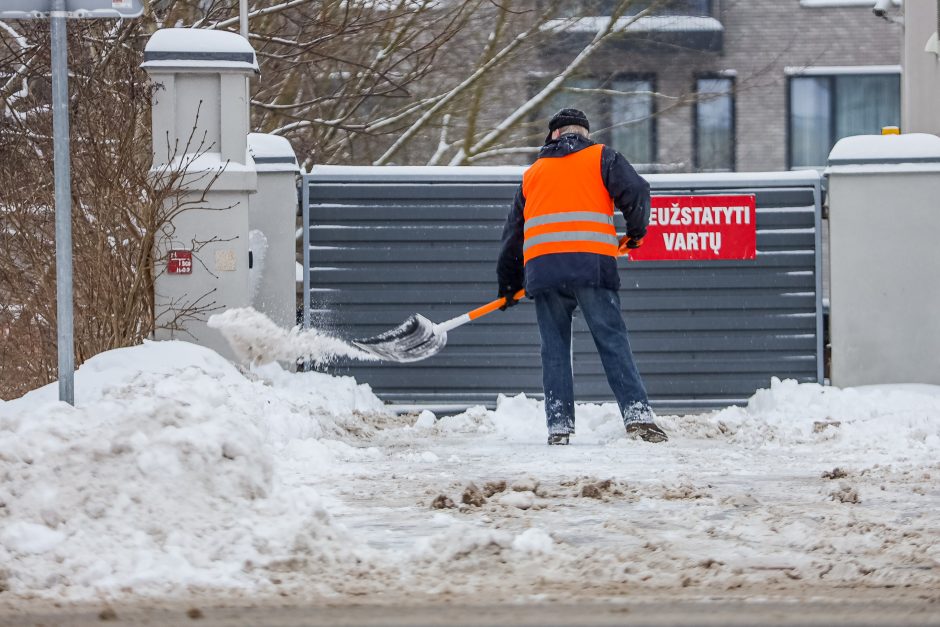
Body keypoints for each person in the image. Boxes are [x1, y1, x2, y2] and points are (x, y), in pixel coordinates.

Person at [496, 108, 668, 446]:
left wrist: (509, 282)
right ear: (584, 133)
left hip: (544, 272)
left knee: (555, 349)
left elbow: (512, 234)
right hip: (593, 267)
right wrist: (636, 232)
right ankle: (637, 416)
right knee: (612, 341)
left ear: (555, 135)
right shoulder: (602, 158)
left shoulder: (532, 174)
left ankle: (559, 426)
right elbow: (638, 191)